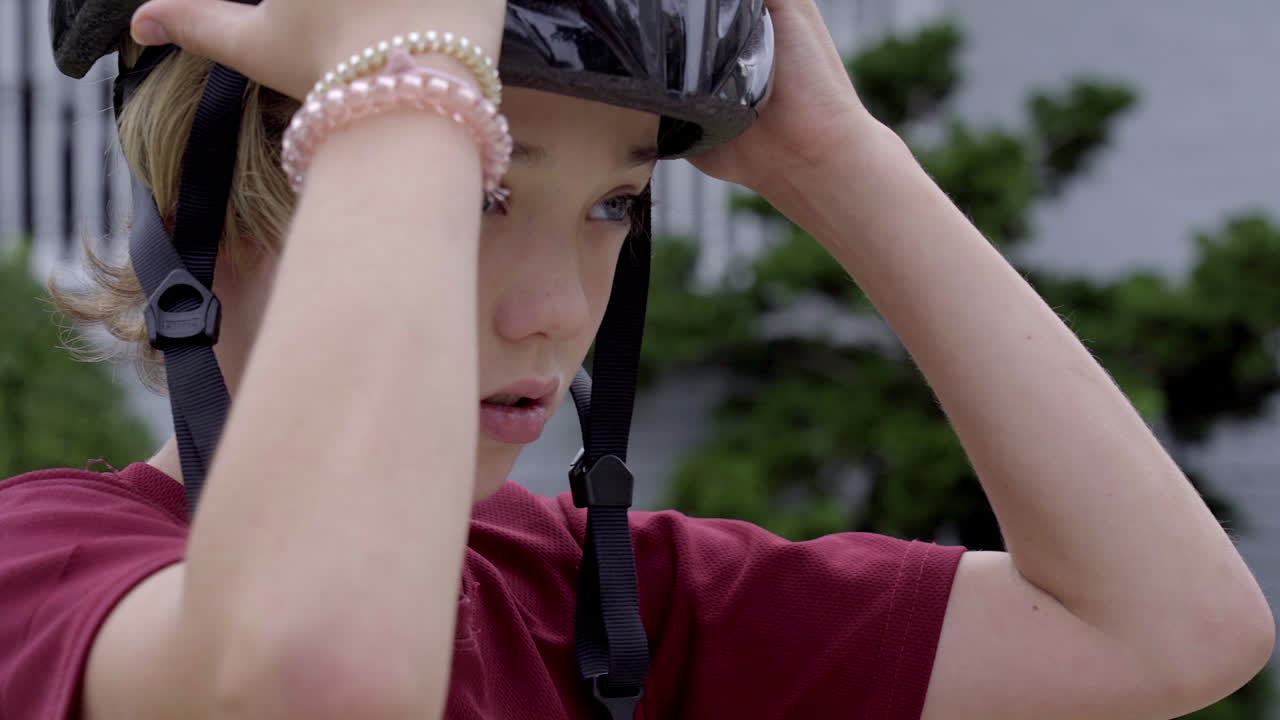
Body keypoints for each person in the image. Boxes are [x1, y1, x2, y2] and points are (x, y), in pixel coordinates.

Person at [0, 0, 1272, 718]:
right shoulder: (43, 571)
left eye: (615, 205)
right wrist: (405, 89)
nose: (556, 310)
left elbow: (1166, 629)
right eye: (485, 194)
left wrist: (832, 159)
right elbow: (311, 676)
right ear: (207, 208)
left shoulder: (595, 604)